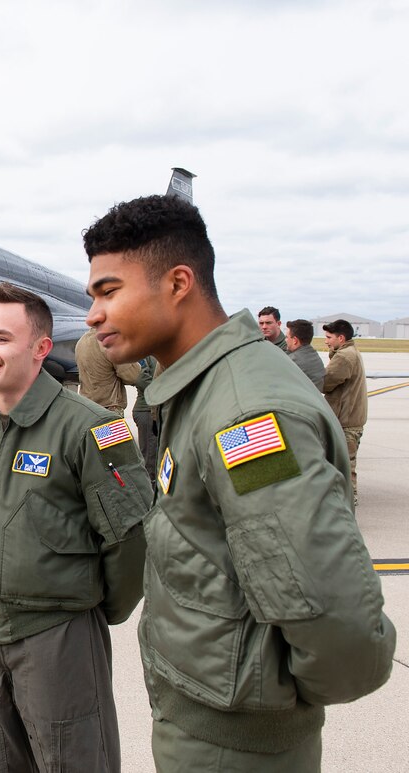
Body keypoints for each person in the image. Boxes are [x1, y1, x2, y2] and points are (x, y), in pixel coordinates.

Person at [83, 195, 394, 771]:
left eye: (108, 291)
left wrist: (268, 705)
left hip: (236, 748)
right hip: (212, 727)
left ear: (179, 283)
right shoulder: (202, 390)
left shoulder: (244, 412)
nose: (94, 314)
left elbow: (339, 630)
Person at [0, 282, 151, 773]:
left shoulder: (89, 427)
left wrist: (90, 612)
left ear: (41, 348)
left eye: (2, 339)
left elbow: (130, 537)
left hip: (58, 637)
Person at [321, 318, 367, 504]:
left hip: (345, 420)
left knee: (346, 465)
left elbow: (325, 382)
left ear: (341, 338)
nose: (326, 341)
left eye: (329, 337)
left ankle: (349, 501)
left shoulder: (344, 357)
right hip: (352, 418)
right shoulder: (350, 352)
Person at [74, 328, 141, 415]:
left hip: (87, 407)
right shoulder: (109, 342)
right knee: (110, 429)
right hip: (108, 409)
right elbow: (133, 376)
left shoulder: (82, 341)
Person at [285, 319, 325, 389]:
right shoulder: (314, 356)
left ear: (295, 340)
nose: (285, 340)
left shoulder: (293, 361)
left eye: (287, 337)